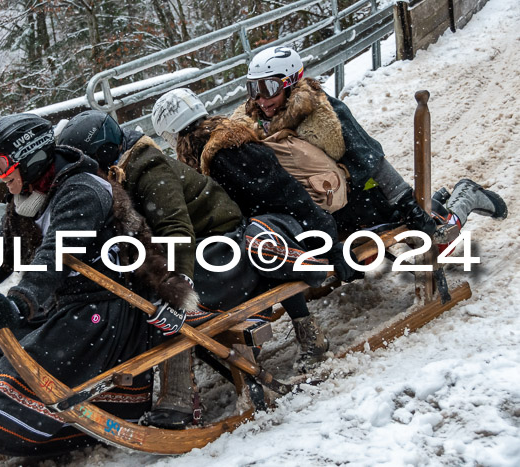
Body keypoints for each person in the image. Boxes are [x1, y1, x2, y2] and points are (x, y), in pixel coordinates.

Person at [0, 114, 195, 465]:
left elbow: (54, 258)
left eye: (0, 165)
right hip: (62, 310)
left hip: (106, 313)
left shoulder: (83, 190)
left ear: (29, 156)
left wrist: (18, 302)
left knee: (23, 367)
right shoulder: (29, 197)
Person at [59, 108, 351, 427]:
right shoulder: (117, 178)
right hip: (201, 250)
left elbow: (175, 229)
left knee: (167, 300)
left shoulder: (147, 167)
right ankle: (170, 393)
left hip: (222, 248)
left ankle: (182, 398)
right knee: (148, 297)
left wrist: (177, 281)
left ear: (101, 155)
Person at [233, 46, 507, 235]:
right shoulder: (253, 124)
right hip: (322, 211)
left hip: (363, 198)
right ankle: (437, 201)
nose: (262, 99)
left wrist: (408, 205)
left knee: (434, 234)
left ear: (291, 83)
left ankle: (465, 197)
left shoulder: (323, 113)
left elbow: (371, 159)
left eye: (269, 88)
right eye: (254, 90)